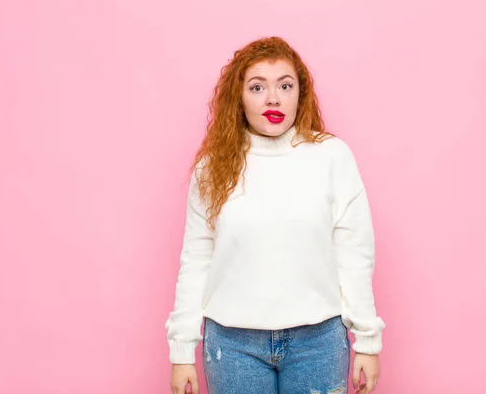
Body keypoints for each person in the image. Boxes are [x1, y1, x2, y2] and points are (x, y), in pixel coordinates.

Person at [165, 36, 386, 394]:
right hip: (233, 347)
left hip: (319, 343)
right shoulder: (211, 169)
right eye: (257, 87)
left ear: (301, 93)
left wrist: (367, 341)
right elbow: (196, 260)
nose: (273, 98)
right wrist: (181, 352)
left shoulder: (331, 157)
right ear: (239, 97)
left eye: (285, 85)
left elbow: (354, 253)